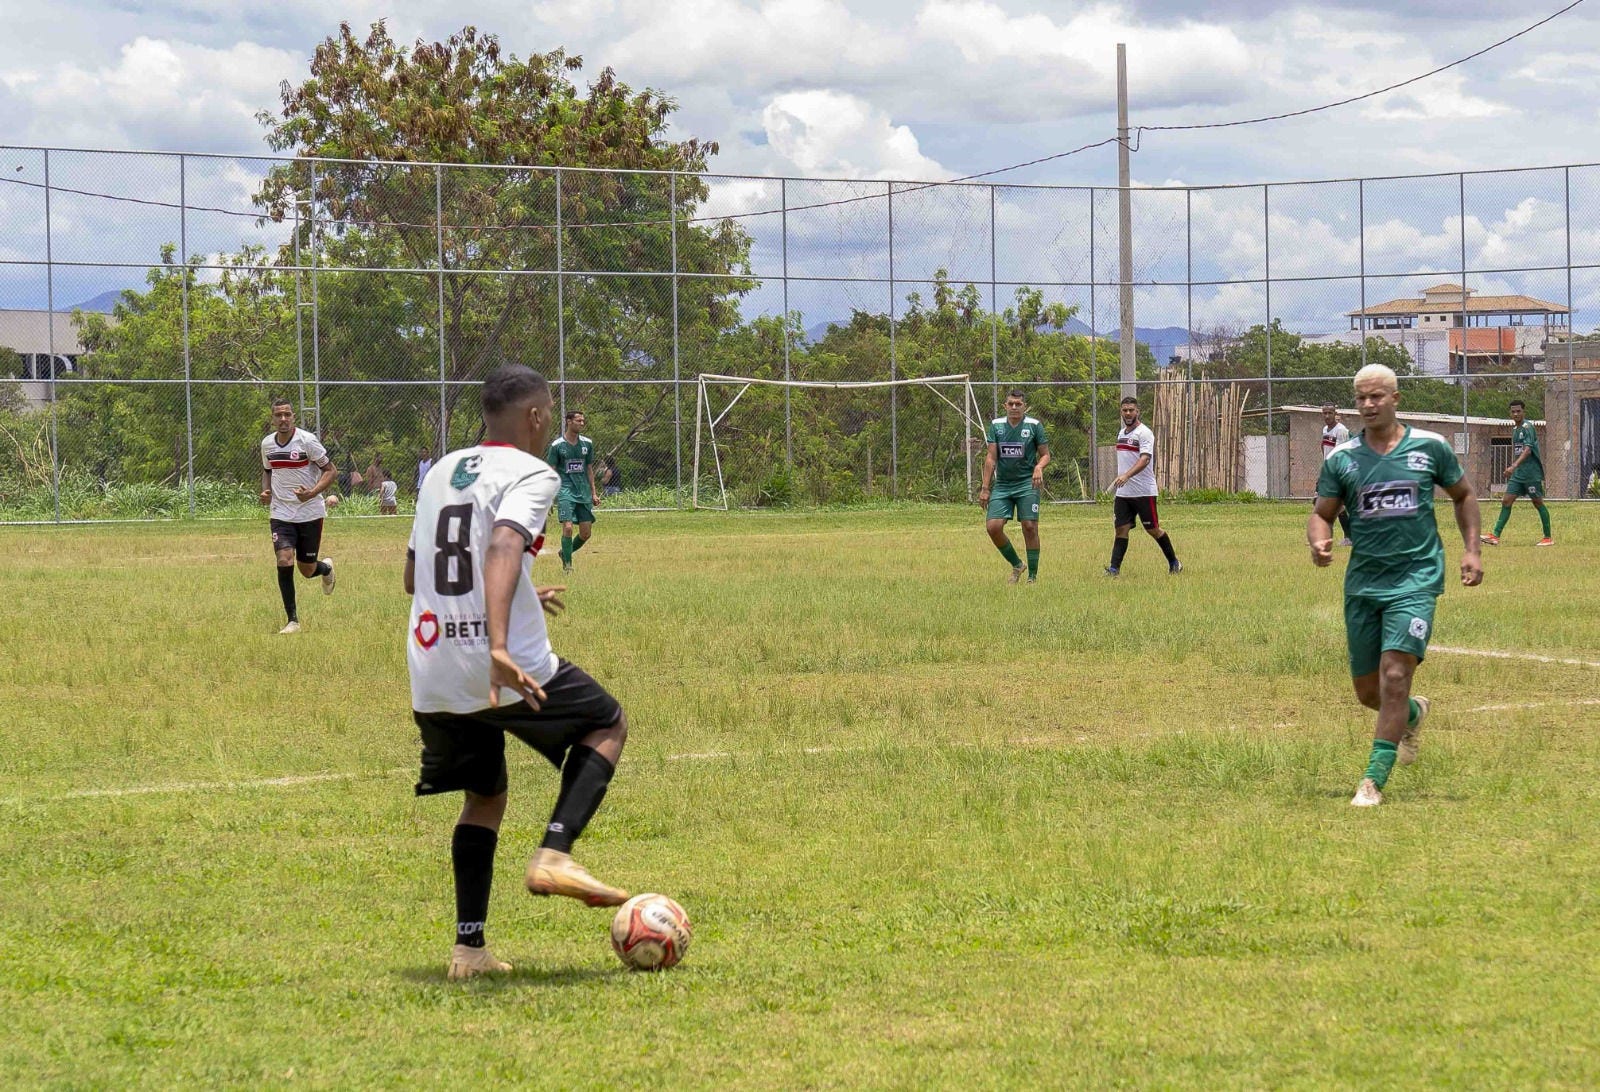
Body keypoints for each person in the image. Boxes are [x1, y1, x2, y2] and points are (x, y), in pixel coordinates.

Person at [405, 365, 631, 981]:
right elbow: (503, 545)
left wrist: (522, 590)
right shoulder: (535, 472)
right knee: (606, 722)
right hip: (497, 660)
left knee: (486, 794)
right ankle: (555, 854)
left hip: (432, 666)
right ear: (534, 417)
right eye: (551, 411)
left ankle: (468, 949)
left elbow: (414, 577)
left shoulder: (440, 473)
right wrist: (500, 642)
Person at [1310, 363, 1482, 808]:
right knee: (1371, 692)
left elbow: (1463, 495)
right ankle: (1411, 713)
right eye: (1361, 398)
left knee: (1394, 675)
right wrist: (1319, 540)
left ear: (1395, 399)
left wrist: (1472, 550)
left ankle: (1372, 781)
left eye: (1376, 397)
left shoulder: (1431, 447)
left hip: (1416, 579)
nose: (1367, 405)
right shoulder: (1342, 459)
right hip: (1364, 584)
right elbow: (1321, 512)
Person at [259, 398, 337, 634]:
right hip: (281, 512)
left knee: (307, 569)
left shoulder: (307, 441)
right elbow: (267, 471)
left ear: (293, 417)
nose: (283, 419)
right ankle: (293, 620)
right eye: (278, 415)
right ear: (273, 419)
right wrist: (266, 492)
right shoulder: (267, 445)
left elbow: (331, 471)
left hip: (310, 512)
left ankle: (326, 569)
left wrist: (312, 493)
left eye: (287, 415)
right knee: (284, 559)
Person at [978, 388, 1050, 583]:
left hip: (1027, 483)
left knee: (1029, 526)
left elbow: (1045, 454)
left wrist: (1039, 467)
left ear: (1024, 406)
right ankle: (1017, 565)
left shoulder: (1034, 426)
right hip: (1003, 485)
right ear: (1005, 406)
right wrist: (985, 488)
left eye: (1018, 404)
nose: (1014, 407)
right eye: (1010, 404)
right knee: (993, 527)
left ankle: (1032, 577)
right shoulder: (996, 425)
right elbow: (991, 457)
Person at [1106, 395, 1181, 576]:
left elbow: (1145, 459)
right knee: (1121, 529)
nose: (1128, 413)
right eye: (1125, 410)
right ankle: (1114, 569)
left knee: (1153, 529)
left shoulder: (1144, 433)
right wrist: (1123, 479)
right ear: (1121, 412)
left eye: (1131, 410)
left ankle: (1174, 562)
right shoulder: (1121, 433)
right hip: (1124, 493)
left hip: (1143, 492)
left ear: (1137, 411)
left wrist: (1126, 475)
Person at [1482, 399, 1553, 547]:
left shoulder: (1528, 427)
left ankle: (1548, 537)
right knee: (1506, 501)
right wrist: (1515, 468)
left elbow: (1527, 450)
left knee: (1537, 502)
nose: (1516, 414)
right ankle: (1495, 536)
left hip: (1531, 473)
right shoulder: (1515, 430)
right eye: (1513, 411)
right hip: (1519, 474)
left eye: (1518, 411)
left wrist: (1513, 466)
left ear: (1523, 411)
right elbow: (1519, 451)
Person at [545, 410, 600, 572]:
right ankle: (568, 567)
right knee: (568, 527)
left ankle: (565, 553)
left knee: (585, 533)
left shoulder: (587, 444)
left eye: (583, 421)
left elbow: (589, 469)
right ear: (568, 422)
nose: (582, 423)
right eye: (578, 420)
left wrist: (594, 492)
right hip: (565, 491)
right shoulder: (557, 446)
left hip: (583, 492)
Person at [1319, 402, 1354, 546]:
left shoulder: (1341, 431)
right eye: (1325, 413)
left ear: (1335, 414)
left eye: (1330, 413)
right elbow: (1325, 449)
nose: (1327, 416)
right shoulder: (1325, 429)